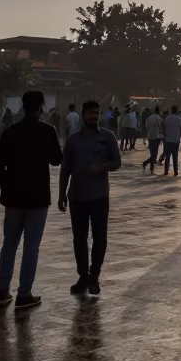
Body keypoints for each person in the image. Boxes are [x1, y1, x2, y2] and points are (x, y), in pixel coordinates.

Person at [0, 90, 63, 309]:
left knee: (9, 244)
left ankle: (2, 291)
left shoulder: (10, 132)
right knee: (31, 246)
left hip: (13, 197)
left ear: (23, 106)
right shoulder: (47, 131)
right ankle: (24, 293)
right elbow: (56, 160)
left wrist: (7, 186)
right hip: (37, 197)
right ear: (41, 107)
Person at [58, 99, 121, 296]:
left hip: (100, 196)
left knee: (100, 238)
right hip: (77, 196)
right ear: (83, 115)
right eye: (90, 113)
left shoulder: (107, 137)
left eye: (97, 113)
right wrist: (61, 194)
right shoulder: (72, 141)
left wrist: (102, 167)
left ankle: (94, 276)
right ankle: (83, 276)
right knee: (79, 239)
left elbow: (117, 162)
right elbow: (65, 168)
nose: (94, 116)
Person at [162, 106, 181, 175]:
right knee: (175, 157)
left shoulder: (167, 118)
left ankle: (166, 171)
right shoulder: (178, 119)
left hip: (168, 140)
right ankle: (175, 171)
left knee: (167, 157)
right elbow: (180, 128)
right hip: (176, 140)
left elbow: (165, 128)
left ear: (171, 110)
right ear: (176, 111)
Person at [142, 108, 163, 173]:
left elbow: (146, 126)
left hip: (150, 137)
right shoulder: (158, 118)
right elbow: (160, 127)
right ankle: (145, 163)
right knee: (154, 154)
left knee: (152, 154)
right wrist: (162, 136)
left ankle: (152, 168)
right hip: (156, 137)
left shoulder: (149, 118)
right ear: (159, 112)